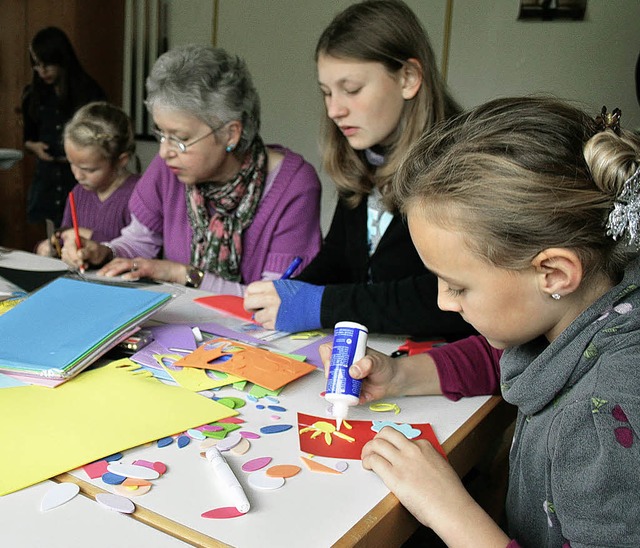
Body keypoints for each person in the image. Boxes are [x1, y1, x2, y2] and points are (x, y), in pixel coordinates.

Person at [323, 97, 640, 546]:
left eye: (458, 286)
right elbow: (515, 358)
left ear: (553, 273)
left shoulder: (603, 420)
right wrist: (401, 375)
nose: (443, 302)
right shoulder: (594, 305)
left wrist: (448, 509)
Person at [244, 0, 473, 339]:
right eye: (326, 93)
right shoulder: (367, 153)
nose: (335, 110)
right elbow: (341, 258)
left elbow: (447, 298)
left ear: (408, 78)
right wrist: (294, 289)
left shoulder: (463, 164)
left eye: (351, 90)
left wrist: (319, 304)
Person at [61, 45, 322, 294]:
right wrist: (104, 252)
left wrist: (182, 274)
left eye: (180, 138)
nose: (164, 152)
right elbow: (139, 243)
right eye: (161, 134)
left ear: (231, 134)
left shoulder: (294, 187)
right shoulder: (171, 169)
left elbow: (277, 297)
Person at [22, 27, 106, 227]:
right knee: (47, 240)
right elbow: (28, 136)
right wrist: (33, 147)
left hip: (78, 177)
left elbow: (104, 138)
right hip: (47, 178)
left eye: (47, 65)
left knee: (80, 233)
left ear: (61, 59)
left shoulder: (89, 92)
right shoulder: (33, 95)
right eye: (37, 65)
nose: (42, 72)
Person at [35, 102, 139, 256]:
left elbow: (141, 251)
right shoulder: (78, 193)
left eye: (89, 170)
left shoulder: (139, 195)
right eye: (72, 164)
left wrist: (90, 236)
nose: (77, 175)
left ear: (121, 160)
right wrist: (52, 246)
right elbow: (66, 235)